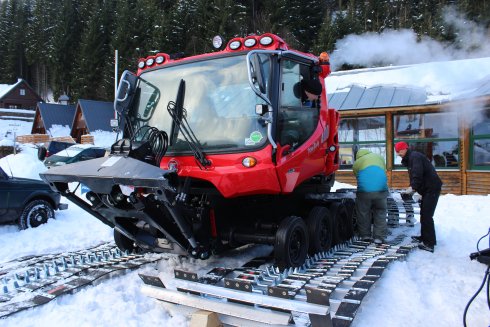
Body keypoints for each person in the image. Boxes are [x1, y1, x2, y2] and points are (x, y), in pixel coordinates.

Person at [395, 141, 442, 253]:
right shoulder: (411, 158)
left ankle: (429, 244)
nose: (398, 153)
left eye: (399, 151)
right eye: (396, 151)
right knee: (423, 214)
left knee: (427, 215)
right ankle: (424, 237)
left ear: (405, 148)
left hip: (432, 188)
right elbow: (416, 176)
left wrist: (412, 189)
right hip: (426, 189)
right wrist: (418, 191)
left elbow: (417, 175)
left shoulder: (414, 157)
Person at [352, 148, 389, 244]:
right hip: (381, 190)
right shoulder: (380, 158)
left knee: (363, 212)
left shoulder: (357, 163)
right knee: (380, 212)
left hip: (364, 192)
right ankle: (379, 237)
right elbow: (383, 171)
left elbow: (357, 176)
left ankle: (365, 236)